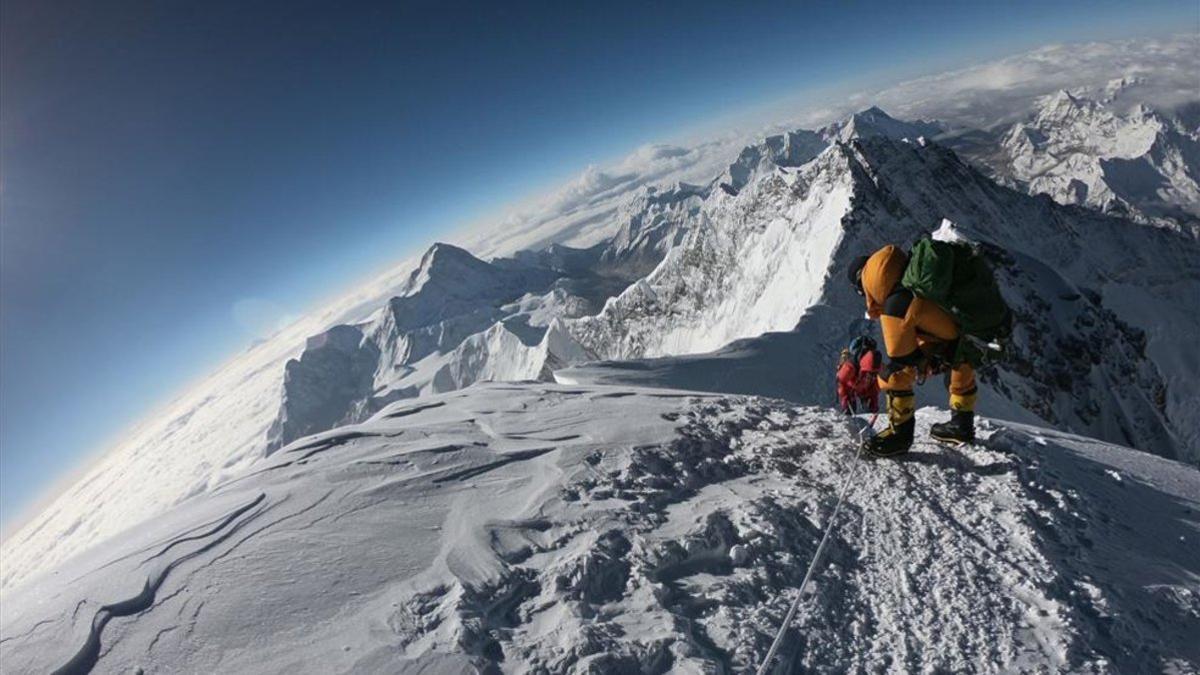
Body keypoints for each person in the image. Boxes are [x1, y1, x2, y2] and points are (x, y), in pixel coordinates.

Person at [847, 246, 978, 456]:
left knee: (894, 372)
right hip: (965, 324)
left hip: (909, 313)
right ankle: (961, 425)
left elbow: (902, 364)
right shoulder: (913, 280)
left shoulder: (894, 304)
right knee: (960, 355)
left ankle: (899, 436)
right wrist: (927, 355)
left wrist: (918, 360)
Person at [850, 335, 881, 413]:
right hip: (862, 383)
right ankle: (871, 408)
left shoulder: (852, 364)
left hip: (857, 382)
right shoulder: (872, 362)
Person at [836, 348, 858, 415]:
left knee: (848, 402)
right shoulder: (845, 366)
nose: (844, 358)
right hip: (846, 391)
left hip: (848, 391)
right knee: (847, 403)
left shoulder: (846, 366)